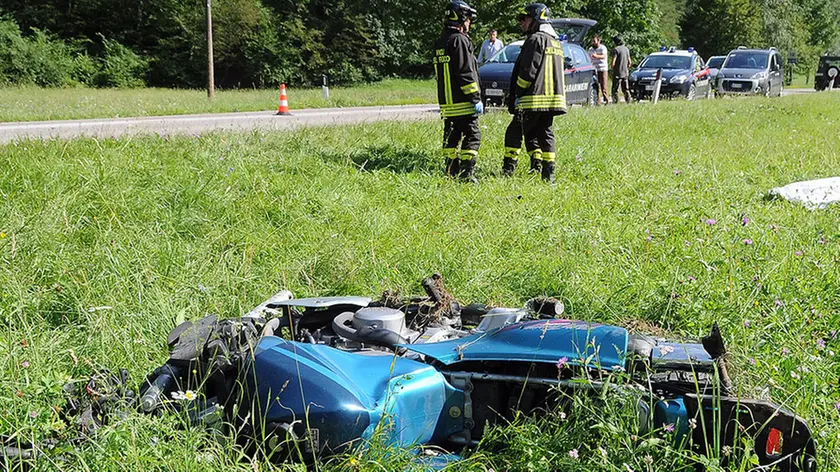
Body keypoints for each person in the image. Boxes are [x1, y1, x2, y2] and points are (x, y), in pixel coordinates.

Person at [505, 3, 566, 183]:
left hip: (532, 99)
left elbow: (528, 71)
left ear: (536, 19)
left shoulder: (535, 40)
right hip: (552, 100)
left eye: (525, 19)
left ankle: (508, 170)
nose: (522, 23)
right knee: (543, 132)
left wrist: (518, 92)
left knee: (514, 131)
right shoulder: (555, 41)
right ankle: (547, 173)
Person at [434, 1, 483, 182]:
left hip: (447, 103)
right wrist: (475, 97)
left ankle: (451, 170)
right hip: (463, 101)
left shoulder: (441, 41)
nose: (469, 23)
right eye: (468, 19)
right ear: (461, 18)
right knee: (473, 134)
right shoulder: (459, 40)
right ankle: (466, 173)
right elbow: (465, 72)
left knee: (452, 136)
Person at [588, 34, 610, 104]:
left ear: (598, 41)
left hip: (602, 69)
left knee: (604, 86)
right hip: (594, 69)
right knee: (596, 86)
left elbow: (603, 56)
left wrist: (596, 56)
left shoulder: (603, 48)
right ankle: (598, 102)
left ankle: (606, 101)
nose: (593, 43)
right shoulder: (590, 49)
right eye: (592, 41)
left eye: (594, 41)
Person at [611, 35, 632, 103]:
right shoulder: (626, 49)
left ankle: (615, 101)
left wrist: (612, 67)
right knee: (626, 88)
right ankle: (628, 101)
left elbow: (613, 62)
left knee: (615, 89)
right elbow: (630, 62)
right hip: (625, 72)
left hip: (617, 73)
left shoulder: (616, 49)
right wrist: (627, 68)